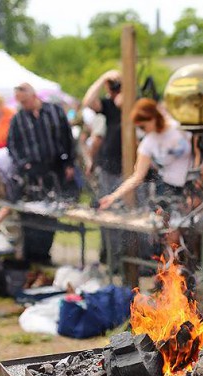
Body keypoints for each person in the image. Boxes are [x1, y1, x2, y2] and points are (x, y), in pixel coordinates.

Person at [7, 83, 77, 264]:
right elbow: (13, 146)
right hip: (31, 173)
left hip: (54, 169)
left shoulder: (55, 111)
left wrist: (69, 163)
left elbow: (68, 138)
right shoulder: (18, 119)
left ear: (34, 96)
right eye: (19, 102)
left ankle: (45, 255)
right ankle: (31, 257)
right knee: (31, 215)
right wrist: (24, 165)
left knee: (50, 215)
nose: (23, 104)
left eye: (25, 101)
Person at [98, 98, 192, 209]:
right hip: (168, 189)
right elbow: (137, 176)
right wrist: (114, 196)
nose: (142, 130)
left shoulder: (179, 127)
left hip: (192, 184)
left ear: (152, 118)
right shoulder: (148, 142)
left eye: (142, 126)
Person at [82, 70, 124, 266]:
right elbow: (88, 101)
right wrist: (103, 78)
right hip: (109, 166)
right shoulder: (107, 105)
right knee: (108, 212)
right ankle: (111, 258)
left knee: (128, 216)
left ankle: (128, 260)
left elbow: (124, 102)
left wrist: (125, 83)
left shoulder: (133, 100)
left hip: (130, 169)